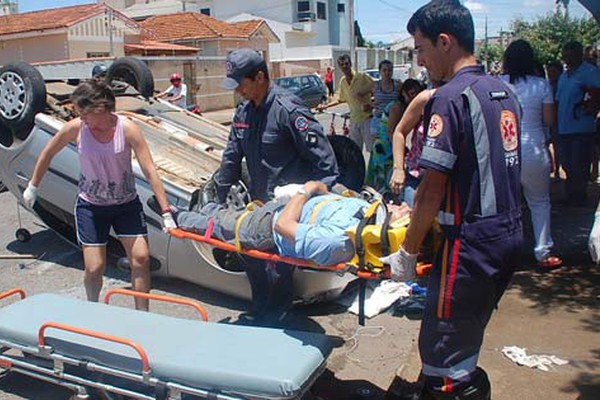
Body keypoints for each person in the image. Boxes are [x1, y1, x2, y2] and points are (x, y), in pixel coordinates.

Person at [385, 1, 523, 399]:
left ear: (444, 42)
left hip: (470, 246)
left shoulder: (450, 98)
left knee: (442, 352)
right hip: (507, 235)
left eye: (421, 49)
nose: (421, 61)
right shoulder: (503, 91)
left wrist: (408, 252)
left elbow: (431, 188)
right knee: (465, 340)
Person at [22, 80, 174, 311]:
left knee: (141, 259)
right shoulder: (76, 128)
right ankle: (93, 310)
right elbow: (48, 152)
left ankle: (143, 315)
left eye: (84, 114)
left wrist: (166, 212)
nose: (81, 119)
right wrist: (33, 186)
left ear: (100, 109)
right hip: (91, 207)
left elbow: (150, 169)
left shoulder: (127, 128)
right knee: (94, 267)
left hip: (126, 205)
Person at [216, 48, 339, 326]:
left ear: (260, 77)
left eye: (241, 84)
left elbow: (327, 167)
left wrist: (309, 204)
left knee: (279, 273)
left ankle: (280, 320)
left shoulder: (289, 111)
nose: (238, 91)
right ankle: (262, 312)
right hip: (258, 209)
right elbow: (231, 157)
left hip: (288, 212)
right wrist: (218, 199)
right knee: (252, 260)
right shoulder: (244, 112)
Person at [162, 181, 409, 267]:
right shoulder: (368, 212)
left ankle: (176, 215)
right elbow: (333, 195)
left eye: (404, 214)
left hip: (265, 228)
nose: (406, 206)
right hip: (280, 209)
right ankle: (206, 207)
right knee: (223, 214)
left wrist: (306, 190)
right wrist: (319, 190)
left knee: (218, 226)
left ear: (389, 228)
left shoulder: (338, 241)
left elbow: (283, 226)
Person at [500, 39, 562, 268]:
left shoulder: (498, 84)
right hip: (534, 149)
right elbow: (549, 120)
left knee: (507, 205)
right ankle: (543, 252)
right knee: (540, 202)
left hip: (506, 151)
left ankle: (506, 254)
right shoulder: (542, 85)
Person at [555, 41, 600, 207]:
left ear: (579, 54)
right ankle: (571, 194)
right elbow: (558, 100)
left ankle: (579, 196)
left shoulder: (590, 72)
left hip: (582, 127)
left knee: (579, 163)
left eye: (570, 53)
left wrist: (590, 106)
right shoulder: (564, 76)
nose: (566, 57)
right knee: (567, 164)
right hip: (564, 127)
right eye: (564, 53)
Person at [366, 78, 423, 197]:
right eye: (412, 94)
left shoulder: (410, 107)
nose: (415, 97)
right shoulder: (397, 107)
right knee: (384, 184)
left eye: (417, 94)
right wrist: (402, 152)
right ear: (403, 93)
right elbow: (392, 132)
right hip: (385, 148)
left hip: (390, 146)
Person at [318, 54, 376, 154]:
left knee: (372, 150)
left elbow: (376, 89)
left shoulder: (362, 77)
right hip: (353, 121)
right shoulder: (343, 82)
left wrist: (371, 105)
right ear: (339, 67)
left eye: (346, 63)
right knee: (355, 150)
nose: (344, 66)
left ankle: (375, 169)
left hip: (367, 119)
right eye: (341, 65)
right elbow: (340, 99)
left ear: (350, 64)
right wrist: (325, 106)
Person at [389, 80, 434, 207]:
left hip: (438, 178)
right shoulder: (423, 100)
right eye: (410, 94)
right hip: (415, 174)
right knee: (410, 216)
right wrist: (398, 168)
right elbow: (397, 132)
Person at [370, 60, 401, 139]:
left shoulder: (397, 85)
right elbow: (359, 94)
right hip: (378, 120)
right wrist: (370, 104)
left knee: (392, 147)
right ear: (380, 71)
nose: (387, 73)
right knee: (377, 147)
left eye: (390, 70)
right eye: (384, 70)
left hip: (393, 121)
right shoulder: (375, 85)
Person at [546, 60, 564, 180]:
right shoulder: (546, 86)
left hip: (559, 120)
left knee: (558, 147)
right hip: (548, 120)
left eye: (553, 71)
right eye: (549, 72)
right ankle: (553, 168)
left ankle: (558, 170)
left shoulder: (561, 85)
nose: (551, 74)